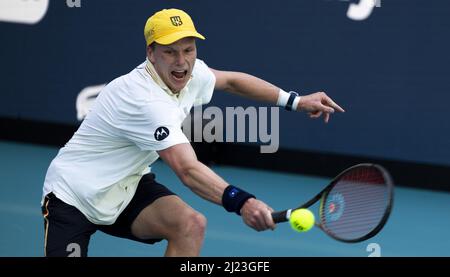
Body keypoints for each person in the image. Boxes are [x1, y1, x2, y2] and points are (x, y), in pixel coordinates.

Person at [41, 8, 345, 257]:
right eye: (171, 52)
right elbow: (187, 169)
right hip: (74, 196)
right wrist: (243, 202)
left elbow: (232, 82)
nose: (182, 61)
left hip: (126, 185)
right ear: (151, 52)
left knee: (190, 224)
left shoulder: (190, 71)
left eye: (189, 49)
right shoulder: (143, 99)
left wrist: (294, 101)